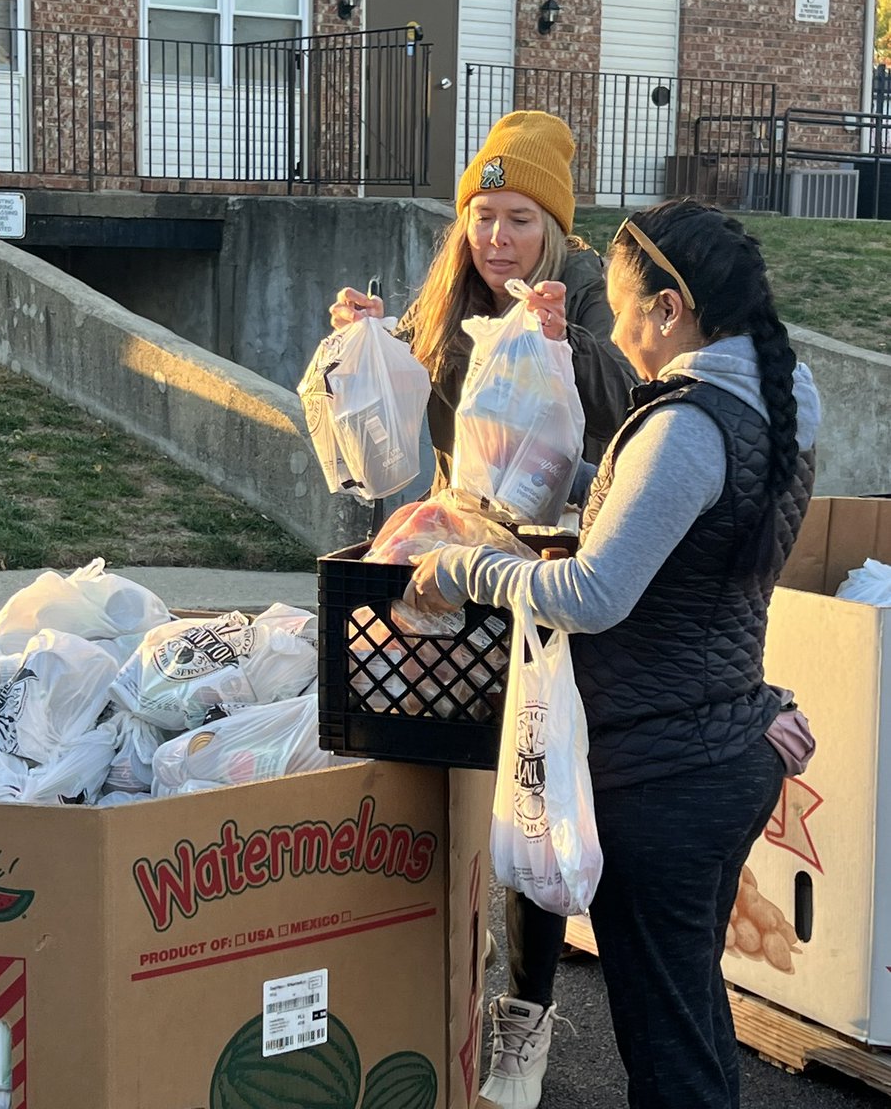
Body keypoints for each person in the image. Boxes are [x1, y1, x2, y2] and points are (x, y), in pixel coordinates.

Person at [404, 200, 822, 1109]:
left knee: (667, 1048)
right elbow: (680, 536)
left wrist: (468, 567)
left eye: (628, 311)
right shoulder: (778, 402)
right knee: (691, 1011)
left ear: (670, 310)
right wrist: (546, 482)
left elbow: (596, 597)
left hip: (663, 775)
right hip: (720, 748)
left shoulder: (690, 425)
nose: (621, 332)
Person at [329, 110, 635, 486]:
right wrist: (371, 340)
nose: (496, 237)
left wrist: (565, 340)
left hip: (556, 524)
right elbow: (390, 406)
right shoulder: (449, 291)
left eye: (520, 220)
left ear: (550, 230)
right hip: (459, 513)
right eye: (483, 217)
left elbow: (626, 408)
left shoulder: (586, 289)